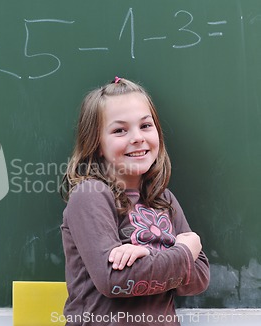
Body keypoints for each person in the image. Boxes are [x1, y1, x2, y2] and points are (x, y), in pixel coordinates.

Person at [60, 77, 210, 325]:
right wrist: (182, 250)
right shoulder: (90, 196)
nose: (137, 137)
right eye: (120, 130)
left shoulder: (164, 199)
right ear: (96, 144)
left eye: (145, 126)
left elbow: (200, 278)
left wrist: (147, 253)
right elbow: (114, 281)